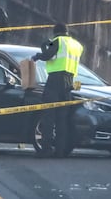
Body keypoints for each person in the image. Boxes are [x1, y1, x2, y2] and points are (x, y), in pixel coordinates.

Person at [31, 23, 84, 158]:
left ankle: (46, 150)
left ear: (56, 33)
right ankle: (60, 151)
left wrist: (38, 55)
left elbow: (48, 55)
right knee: (62, 119)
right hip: (69, 83)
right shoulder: (77, 45)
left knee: (49, 117)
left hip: (55, 81)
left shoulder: (58, 41)